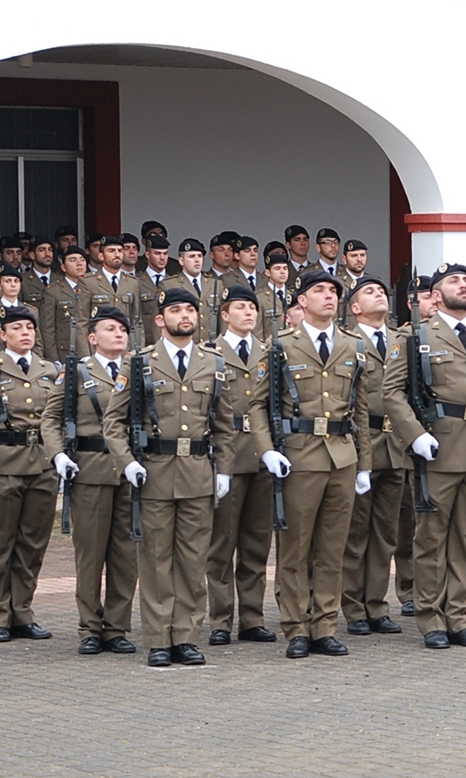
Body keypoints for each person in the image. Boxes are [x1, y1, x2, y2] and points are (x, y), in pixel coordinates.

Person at [102, 288, 236, 666]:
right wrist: (126, 461)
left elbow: (223, 426)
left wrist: (223, 471)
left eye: (190, 310)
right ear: (160, 319)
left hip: (197, 472)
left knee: (194, 560)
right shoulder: (140, 363)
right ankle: (159, 638)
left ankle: (187, 637)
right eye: (175, 310)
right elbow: (113, 421)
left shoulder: (213, 363)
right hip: (155, 472)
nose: (185, 316)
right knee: (157, 559)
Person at [382, 263, 466, 649]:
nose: (464, 285)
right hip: (438, 447)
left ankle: (458, 615)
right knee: (431, 538)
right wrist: (415, 435)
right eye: (455, 281)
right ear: (436, 296)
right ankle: (430, 617)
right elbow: (393, 393)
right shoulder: (416, 336)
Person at [247, 269, 372, 659]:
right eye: (318, 290)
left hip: (341, 453)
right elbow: (257, 404)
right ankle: (296, 627)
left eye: (333, 291)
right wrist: (267, 449)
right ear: (301, 301)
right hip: (299, 453)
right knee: (295, 548)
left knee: (332, 548)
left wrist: (364, 462)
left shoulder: (353, 345)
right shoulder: (281, 345)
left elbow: (361, 410)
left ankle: (325, 626)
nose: (328, 296)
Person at [44, 306, 138, 655]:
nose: (118, 334)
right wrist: (58, 455)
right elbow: (50, 419)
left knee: (126, 556)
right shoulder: (75, 373)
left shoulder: (138, 371)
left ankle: (116, 626)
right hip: (90, 470)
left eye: (122, 329)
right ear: (92, 337)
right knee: (90, 556)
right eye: (110, 329)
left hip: (129, 472)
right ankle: (89, 627)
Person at [201, 286, 278, 647]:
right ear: (225, 314)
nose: (249, 313)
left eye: (253, 307)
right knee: (222, 543)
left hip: (261, 455)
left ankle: (252, 617)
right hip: (227, 452)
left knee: (256, 542)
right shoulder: (210, 354)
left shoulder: (269, 351)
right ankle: (220, 618)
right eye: (241, 307)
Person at [340, 275, 406, 638]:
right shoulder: (347, 342)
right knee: (356, 532)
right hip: (360, 444)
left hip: (395, 445)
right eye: (369, 291)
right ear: (354, 307)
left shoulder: (401, 340)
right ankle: (353, 607)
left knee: (385, 534)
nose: (379, 294)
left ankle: (378, 605)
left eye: (382, 290)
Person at [0, 305, 60, 644]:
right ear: (3, 334)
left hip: (42, 463)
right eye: (18, 328)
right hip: (6, 463)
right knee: (2, 542)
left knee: (32, 544)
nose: (25, 333)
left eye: (30, 328)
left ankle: (22, 611)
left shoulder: (48, 370)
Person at [394, 274, 437, 616]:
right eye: (425, 297)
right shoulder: (405, 338)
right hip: (407, 439)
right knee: (408, 521)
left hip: (441, 439)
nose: (433, 301)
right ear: (411, 303)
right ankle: (408, 589)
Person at [160, 238, 223, 344]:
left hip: (212, 348)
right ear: (181, 261)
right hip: (182, 345)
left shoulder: (216, 284)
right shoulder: (169, 285)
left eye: (199, 256)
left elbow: (222, 321)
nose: (197, 260)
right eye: (192, 256)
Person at [79, 235, 141, 334]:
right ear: (101, 256)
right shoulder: (88, 282)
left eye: (120, 251)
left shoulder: (132, 282)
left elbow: (137, 321)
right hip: (99, 343)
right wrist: (86, 350)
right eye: (111, 251)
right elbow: (82, 322)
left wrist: (137, 348)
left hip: (125, 344)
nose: (117, 254)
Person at [39, 246, 89, 363]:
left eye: (82, 259)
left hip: (92, 350)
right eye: (72, 260)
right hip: (65, 353)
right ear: (63, 267)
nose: (79, 263)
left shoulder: (94, 288)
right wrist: (53, 359)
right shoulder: (53, 291)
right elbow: (48, 328)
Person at [256, 253, 291, 342]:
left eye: (285, 268)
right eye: (277, 268)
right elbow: (257, 332)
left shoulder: (294, 295)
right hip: (271, 348)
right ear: (267, 272)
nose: (282, 272)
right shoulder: (260, 297)